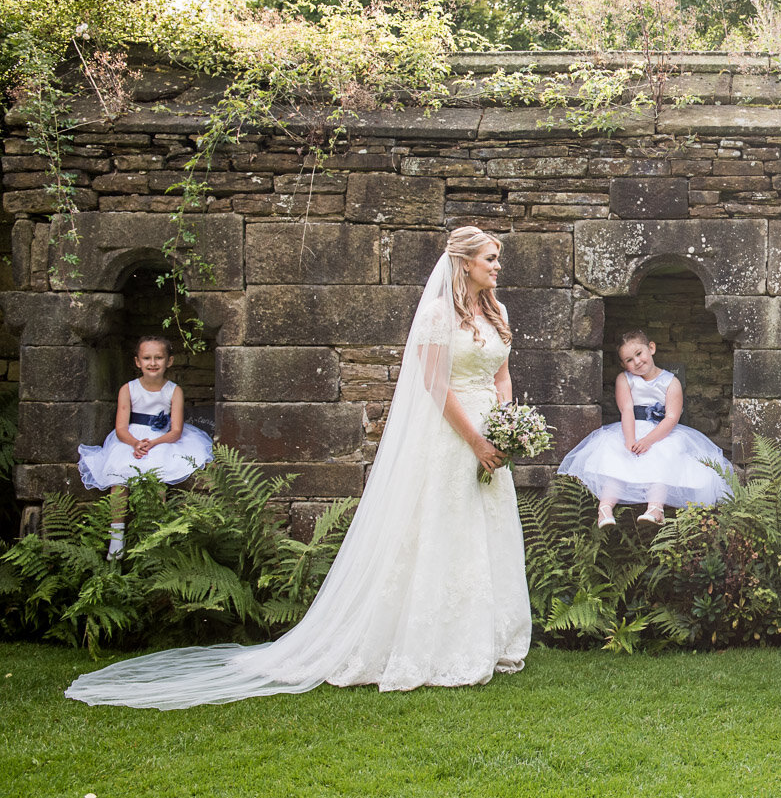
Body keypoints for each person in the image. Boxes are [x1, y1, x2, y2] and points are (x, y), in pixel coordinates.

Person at [66, 227, 531, 708]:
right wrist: (475, 440)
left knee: (484, 528)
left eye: (497, 259)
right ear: (465, 262)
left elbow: (502, 374)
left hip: (492, 434)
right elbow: (434, 385)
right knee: (442, 526)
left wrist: (507, 426)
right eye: (491, 258)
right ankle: (433, 643)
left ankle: (486, 639)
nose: (497, 267)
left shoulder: (497, 312)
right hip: (452, 437)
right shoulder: (437, 315)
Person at [558, 330, 731, 527]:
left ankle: (655, 508)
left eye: (639, 354)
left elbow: (672, 417)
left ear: (651, 348)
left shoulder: (670, 382)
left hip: (662, 432)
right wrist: (630, 440)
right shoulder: (624, 379)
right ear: (624, 365)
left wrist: (648, 440)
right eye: (629, 360)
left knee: (664, 455)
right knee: (619, 458)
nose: (637, 362)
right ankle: (605, 509)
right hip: (631, 427)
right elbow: (627, 410)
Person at [77, 335, 214, 559]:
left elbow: (176, 430)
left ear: (169, 361)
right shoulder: (128, 389)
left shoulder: (174, 390)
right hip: (129, 439)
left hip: (163, 440)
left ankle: (154, 534)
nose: (153, 363)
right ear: (137, 361)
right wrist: (135, 443)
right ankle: (117, 537)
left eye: (158, 358)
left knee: (157, 479)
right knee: (119, 478)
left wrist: (153, 443)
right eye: (147, 358)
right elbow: (121, 427)